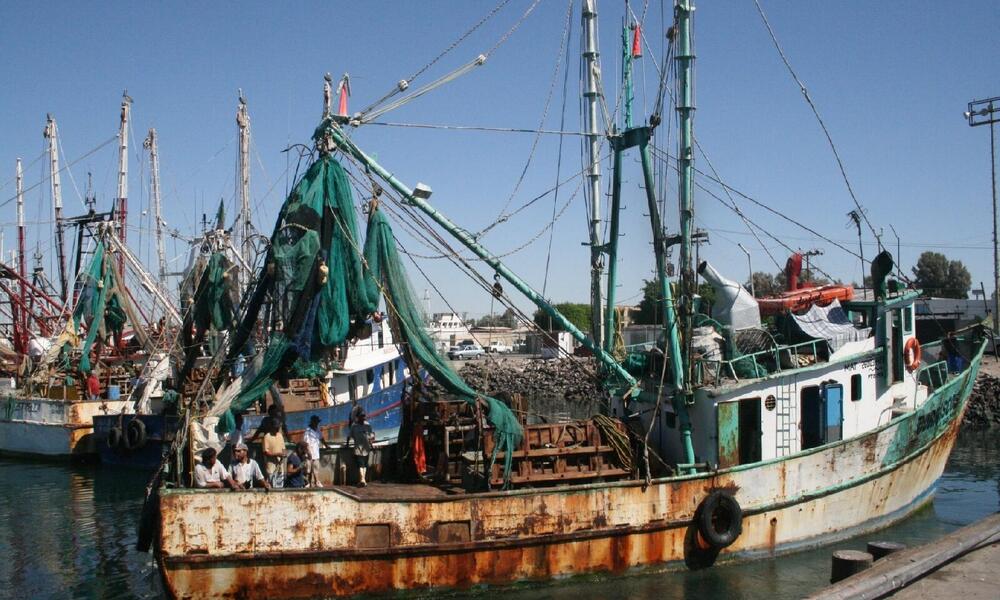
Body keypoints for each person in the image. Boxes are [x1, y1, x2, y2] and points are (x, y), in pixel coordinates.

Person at [348, 411, 375, 487]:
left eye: (364, 416)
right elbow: (350, 435)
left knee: (365, 465)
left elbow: (372, 436)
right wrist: (347, 444)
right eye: (361, 416)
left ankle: (362, 480)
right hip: (358, 448)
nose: (363, 418)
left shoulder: (367, 425)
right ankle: (363, 480)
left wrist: (372, 443)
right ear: (358, 417)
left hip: (366, 448)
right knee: (361, 464)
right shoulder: (354, 426)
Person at [303, 415, 329, 487]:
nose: (317, 423)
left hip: (316, 453)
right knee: (308, 470)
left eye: (318, 422)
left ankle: (316, 482)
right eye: (316, 422)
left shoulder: (317, 429)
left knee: (316, 469)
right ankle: (308, 483)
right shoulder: (307, 431)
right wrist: (308, 453)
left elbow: (321, 438)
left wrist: (326, 446)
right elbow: (306, 444)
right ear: (312, 422)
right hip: (309, 454)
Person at [262, 418, 287, 488]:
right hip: (271, 467)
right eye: (276, 427)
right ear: (272, 426)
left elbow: (284, 448)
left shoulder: (280, 435)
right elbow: (265, 452)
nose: (277, 429)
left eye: (278, 427)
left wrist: (284, 454)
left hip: (280, 466)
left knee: (280, 487)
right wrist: (277, 454)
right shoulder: (266, 437)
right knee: (272, 486)